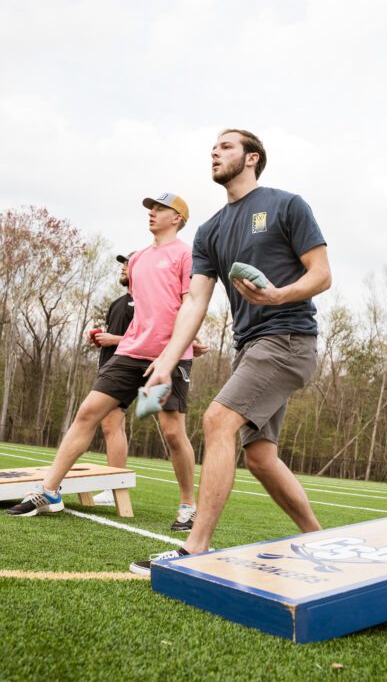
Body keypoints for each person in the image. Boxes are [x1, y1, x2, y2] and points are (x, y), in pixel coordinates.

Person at [130, 129, 332, 575]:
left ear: (252, 158)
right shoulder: (210, 231)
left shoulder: (287, 205)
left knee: (217, 420)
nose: (215, 154)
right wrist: (165, 361)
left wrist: (280, 296)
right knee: (260, 457)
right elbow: (195, 301)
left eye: (225, 147)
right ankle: (320, 541)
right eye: (212, 149)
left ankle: (195, 548)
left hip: (289, 338)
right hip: (250, 348)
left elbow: (322, 274)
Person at [9, 192, 201, 531]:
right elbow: (145, 308)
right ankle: (48, 491)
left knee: (172, 432)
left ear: (177, 218)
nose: (152, 214)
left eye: (160, 209)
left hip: (169, 357)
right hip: (130, 353)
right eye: (150, 209)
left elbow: (189, 303)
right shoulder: (138, 259)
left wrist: (186, 340)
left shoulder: (186, 255)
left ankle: (189, 506)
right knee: (87, 413)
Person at [85, 253, 134, 506]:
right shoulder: (117, 303)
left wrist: (114, 340)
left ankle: (114, 489)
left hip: (126, 370)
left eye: (127, 265)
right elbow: (114, 336)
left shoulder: (145, 302)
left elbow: (149, 337)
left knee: (110, 423)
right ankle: (114, 488)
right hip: (108, 368)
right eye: (122, 265)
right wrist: (100, 339)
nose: (123, 269)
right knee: (112, 424)